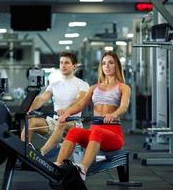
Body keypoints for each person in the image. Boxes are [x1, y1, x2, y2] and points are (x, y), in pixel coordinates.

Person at [56, 51, 131, 181]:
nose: (107, 66)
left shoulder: (123, 87)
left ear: (116, 66)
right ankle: (58, 165)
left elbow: (124, 107)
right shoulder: (94, 88)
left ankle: (83, 169)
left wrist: (114, 114)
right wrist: (66, 113)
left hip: (113, 135)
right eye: (104, 63)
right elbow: (79, 105)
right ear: (101, 67)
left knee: (98, 132)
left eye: (110, 63)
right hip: (95, 133)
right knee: (74, 131)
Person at [20, 52, 89, 156]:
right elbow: (42, 99)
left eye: (66, 63)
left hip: (73, 123)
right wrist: (28, 107)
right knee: (31, 122)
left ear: (74, 66)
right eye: (61, 63)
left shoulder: (82, 84)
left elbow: (78, 102)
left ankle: (41, 153)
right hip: (55, 121)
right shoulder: (54, 84)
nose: (63, 65)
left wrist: (66, 110)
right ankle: (23, 153)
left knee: (62, 123)